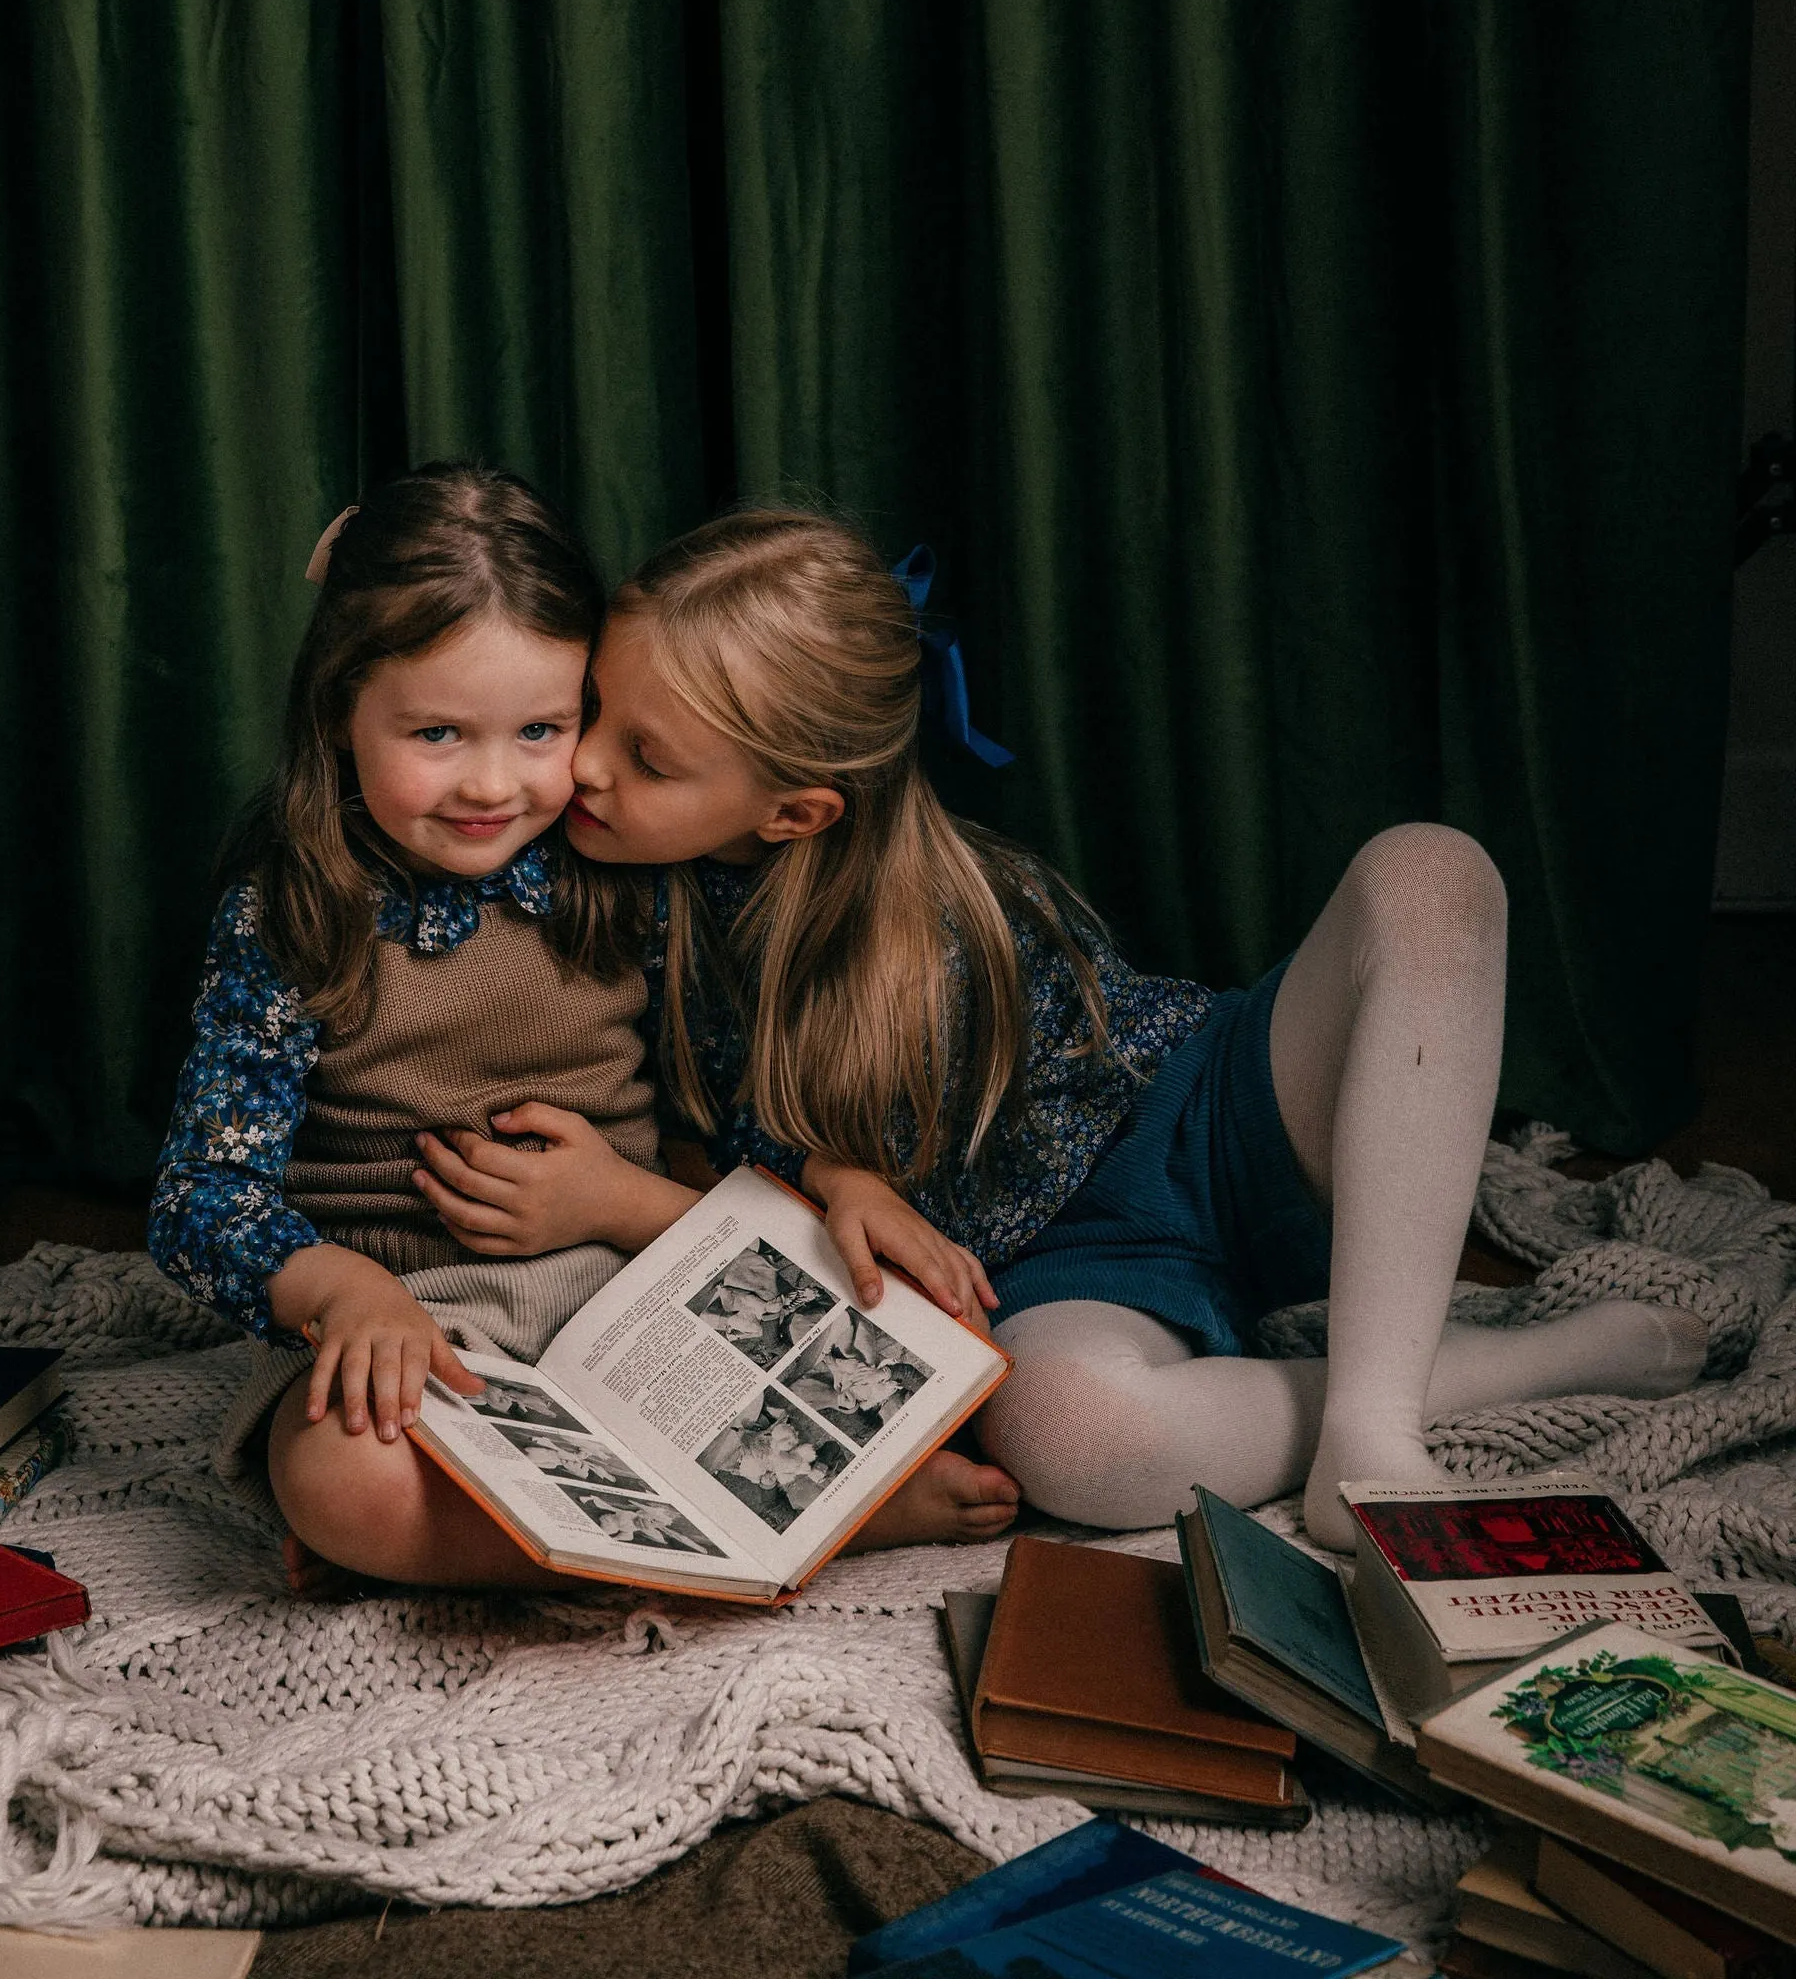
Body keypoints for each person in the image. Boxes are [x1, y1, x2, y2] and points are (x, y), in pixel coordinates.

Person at [417, 509, 1709, 1552]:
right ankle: (1527, 1362)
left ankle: (1375, 1428)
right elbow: (852, 1257)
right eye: (593, 718)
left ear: (795, 813)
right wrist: (795, 1178)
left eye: (644, 757)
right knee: (1073, 1445)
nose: (579, 769)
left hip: (1210, 1118)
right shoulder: (613, 910)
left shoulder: (956, 898)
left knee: (1429, 869)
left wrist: (636, 1196)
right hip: (1054, 1275)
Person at [148, 463, 711, 1588]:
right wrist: (344, 1293)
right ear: (338, 710)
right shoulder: (292, 913)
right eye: (438, 734)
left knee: (876, 1370)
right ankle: (716, 1550)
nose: (492, 785)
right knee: (342, 1478)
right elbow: (200, 1196)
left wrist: (635, 1206)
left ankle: (476, 1548)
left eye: (541, 728)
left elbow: (730, 1107)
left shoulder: (620, 873)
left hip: (634, 1290)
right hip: (416, 1324)